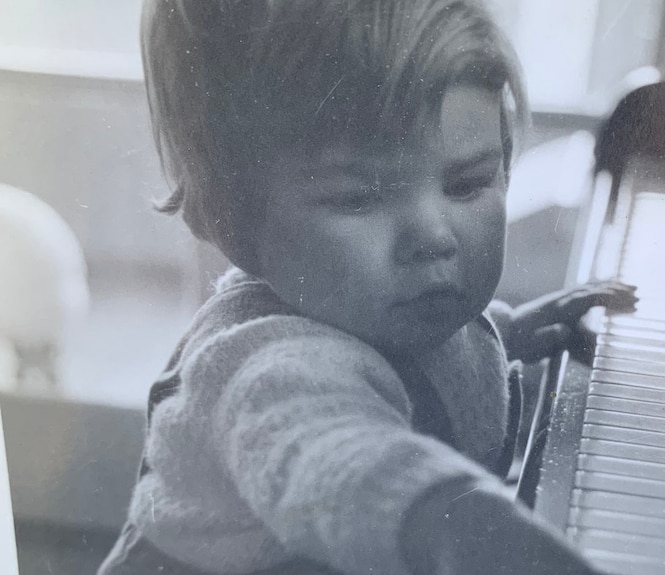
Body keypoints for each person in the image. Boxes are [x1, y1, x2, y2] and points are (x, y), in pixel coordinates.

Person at [99, 1, 636, 574]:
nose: (433, 237)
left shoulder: (377, 306)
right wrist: (475, 531)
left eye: (467, 183)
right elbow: (348, 465)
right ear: (230, 215)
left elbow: (422, 362)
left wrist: (507, 331)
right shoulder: (263, 372)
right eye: (359, 199)